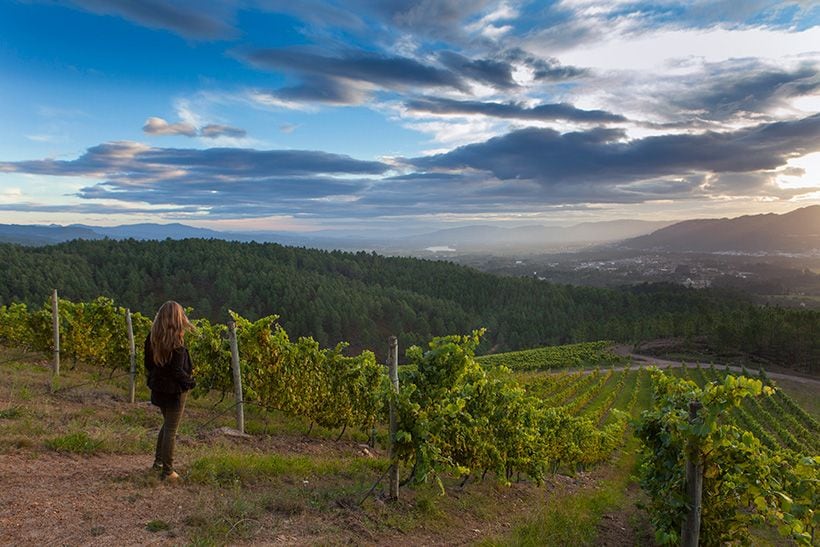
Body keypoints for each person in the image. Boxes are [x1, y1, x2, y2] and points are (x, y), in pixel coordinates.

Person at [144, 301, 196, 482]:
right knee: (171, 430)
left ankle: (158, 462)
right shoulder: (177, 345)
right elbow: (177, 372)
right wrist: (190, 382)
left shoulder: (151, 339)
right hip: (175, 392)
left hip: (159, 389)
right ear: (177, 319)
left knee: (167, 426)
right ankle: (168, 471)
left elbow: (149, 366)